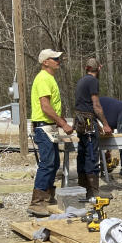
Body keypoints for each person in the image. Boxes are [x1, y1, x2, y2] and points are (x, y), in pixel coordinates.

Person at [29, 49, 72, 216]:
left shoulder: (50, 79)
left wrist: (62, 123)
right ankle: (37, 202)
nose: (58, 61)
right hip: (44, 127)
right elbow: (45, 107)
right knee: (47, 163)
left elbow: (53, 106)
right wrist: (62, 123)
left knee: (53, 164)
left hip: (50, 127)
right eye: (55, 59)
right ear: (45, 62)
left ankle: (47, 197)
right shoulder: (43, 79)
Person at [73, 58, 110, 199]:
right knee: (92, 156)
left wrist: (98, 124)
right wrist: (105, 124)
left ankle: (83, 189)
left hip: (81, 122)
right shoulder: (93, 81)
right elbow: (96, 106)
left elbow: (83, 105)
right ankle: (93, 192)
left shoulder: (81, 81)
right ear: (99, 68)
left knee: (82, 155)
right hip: (88, 123)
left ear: (86, 68)